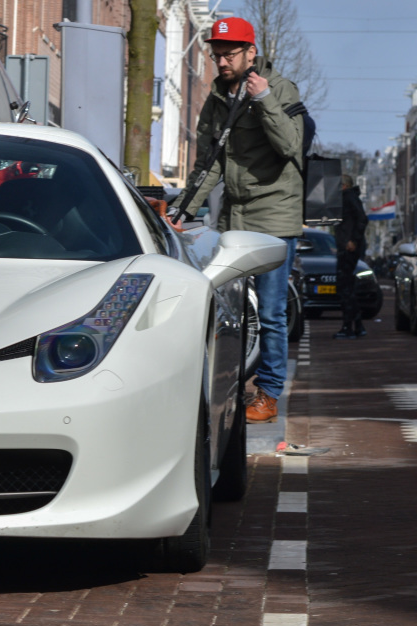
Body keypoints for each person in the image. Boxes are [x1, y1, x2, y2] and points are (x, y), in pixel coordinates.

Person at [171, 16, 304, 425]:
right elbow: (209, 163)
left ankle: (268, 392)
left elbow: (290, 146)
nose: (222, 61)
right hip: (234, 215)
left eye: (230, 54)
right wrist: (184, 211)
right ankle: (229, 383)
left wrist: (263, 100)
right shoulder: (216, 98)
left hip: (274, 215)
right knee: (227, 308)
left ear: (251, 52)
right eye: (217, 54)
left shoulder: (280, 89)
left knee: (270, 311)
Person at [334, 174, 368, 339]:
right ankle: (358, 326)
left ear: (344, 186)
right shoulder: (349, 197)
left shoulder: (348, 197)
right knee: (348, 287)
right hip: (347, 247)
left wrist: (353, 240)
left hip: (349, 248)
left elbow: (362, 219)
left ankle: (348, 328)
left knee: (345, 288)